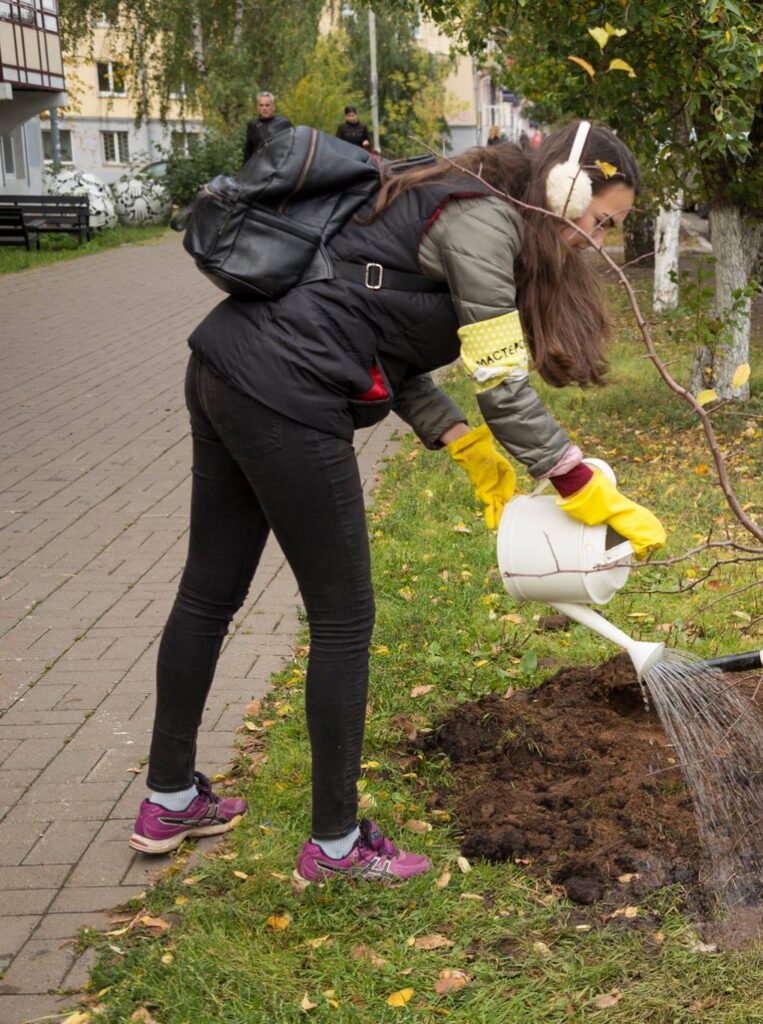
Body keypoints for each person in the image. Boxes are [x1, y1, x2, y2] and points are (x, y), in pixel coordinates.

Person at [129, 121, 663, 887]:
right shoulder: (483, 222)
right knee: (344, 617)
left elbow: (380, 334)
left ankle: (170, 798)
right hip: (286, 393)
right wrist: (583, 484)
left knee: (209, 593)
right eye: (601, 220)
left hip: (227, 370)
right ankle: (337, 848)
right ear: (565, 190)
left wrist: (461, 443)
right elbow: (503, 385)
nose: (599, 240)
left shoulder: (462, 204)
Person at [243, 91, 294, 164]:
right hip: (259, 168)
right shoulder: (253, 125)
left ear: (273, 107)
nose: (264, 108)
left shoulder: (284, 123)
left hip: (280, 167)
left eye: (267, 105)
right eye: (261, 105)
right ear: (257, 107)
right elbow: (248, 151)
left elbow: (292, 149)